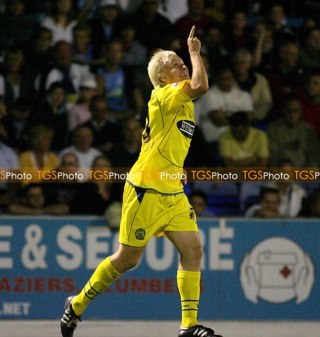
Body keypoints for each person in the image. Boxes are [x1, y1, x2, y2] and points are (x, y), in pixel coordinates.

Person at [60, 26, 223, 337]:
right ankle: (76, 305)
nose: (182, 64)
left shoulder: (182, 103)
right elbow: (201, 84)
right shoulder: (163, 95)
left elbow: (169, 141)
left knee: (193, 251)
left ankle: (188, 326)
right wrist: (194, 51)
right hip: (145, 188)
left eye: (181, 60)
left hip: (172, 190)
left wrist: (175, 168)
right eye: (174, 63)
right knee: (126, 260)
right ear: (162, 77)